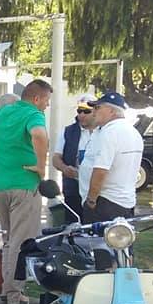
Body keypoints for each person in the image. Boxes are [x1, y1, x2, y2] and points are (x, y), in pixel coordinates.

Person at [0, 79, 52, 304]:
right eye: (47, 100)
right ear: (36, 98)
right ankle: (14, 293)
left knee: (8, 240)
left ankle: (6, 287)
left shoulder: (4, 113)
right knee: (21, 241)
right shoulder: (33, 114)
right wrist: (41, 166)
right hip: (24, 184)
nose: (47, 105)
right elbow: (39, 135)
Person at [77, 92, 142, 223]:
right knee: (119, 236)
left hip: (104, 202)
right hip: (124, 201)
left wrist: (91, 200)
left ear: (111, 111)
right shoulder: (133, 132)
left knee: (99, 237)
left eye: (98, 107)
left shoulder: (109, 133)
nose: (94, 112)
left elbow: (101, 170)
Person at [52, 94, 98, 222]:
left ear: (95, 112)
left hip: (97, 189)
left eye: (86, 111)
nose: (81, 115)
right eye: (79, 111)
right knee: (73, 225)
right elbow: (56, 158)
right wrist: (65, 168)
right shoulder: (67, 131)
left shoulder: (104, 131)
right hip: (73, 189)